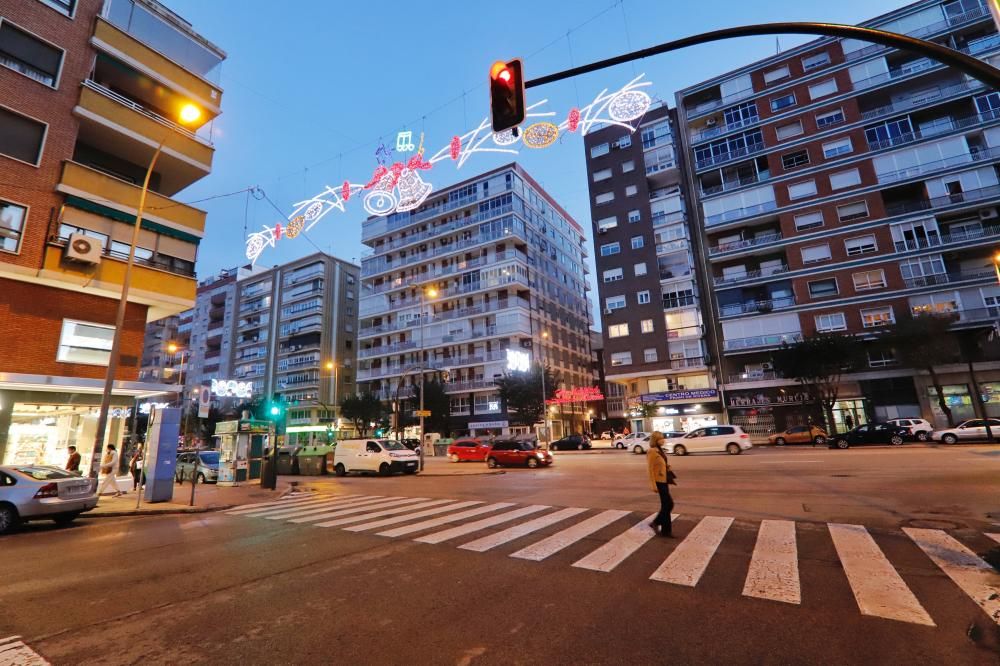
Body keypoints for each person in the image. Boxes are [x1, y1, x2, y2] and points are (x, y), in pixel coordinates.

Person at [646, 431, 674, 538]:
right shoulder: (651, 452)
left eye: (663, 438)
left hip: (664, 480)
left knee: (667, 505)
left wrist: (667, 466)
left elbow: (661, 463)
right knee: (668, 504)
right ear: (655, 440)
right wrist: (653, 485)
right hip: (659, 482)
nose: (663, 440)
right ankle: (661, 527)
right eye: (660, 438)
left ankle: (661, 527)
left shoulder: (659, 450)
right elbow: (650, 469)